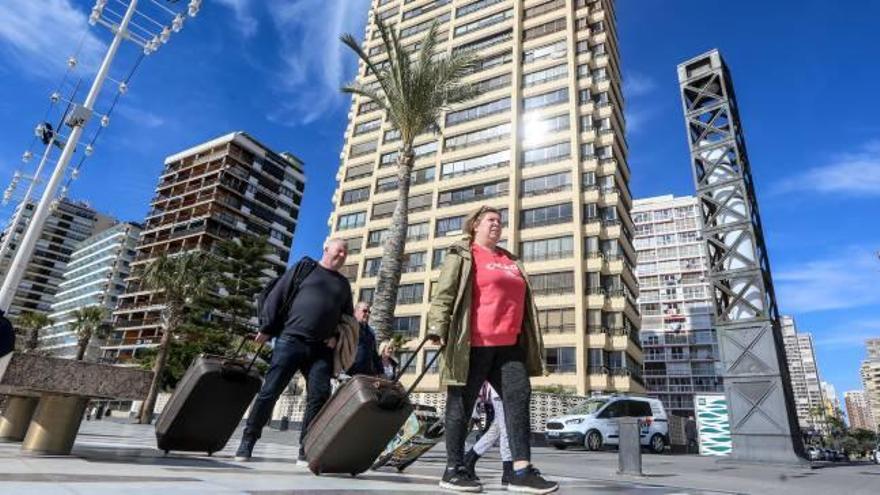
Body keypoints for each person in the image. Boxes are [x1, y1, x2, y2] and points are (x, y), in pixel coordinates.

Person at [427, 205, 558, 494]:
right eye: (491, 220)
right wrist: (437, 326)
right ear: (474, 225)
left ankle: (519, 471)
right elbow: (444, 294)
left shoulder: (510, 259)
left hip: (509, 346)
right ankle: (454, 468)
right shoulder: (462, 254)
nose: (497, 224)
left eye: (500, 221)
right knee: (460, 403)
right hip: (472, 343)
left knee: (519, 398)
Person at [235, 238, 353, 466]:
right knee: (270, 391)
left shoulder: (343, 285)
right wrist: (266, 328)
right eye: (339, 250)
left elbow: (347, 320)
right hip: (291, 340)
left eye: (345, 253)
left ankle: (306, 448)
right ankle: (248, 440)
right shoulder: (304, 268)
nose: (342, 255)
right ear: (326, 248)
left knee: (319, 396)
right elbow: (279, 293)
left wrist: (336, 338)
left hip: (321, 349)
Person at [346, 302, 383, 377]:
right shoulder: (348, 327)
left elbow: (374, 354)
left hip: (366, 375)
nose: (367, 314)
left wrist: (380, 371)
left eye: (369, 312)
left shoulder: (370, 332)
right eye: (365, 311)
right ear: (355, 312)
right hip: (348, 374)